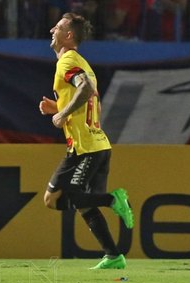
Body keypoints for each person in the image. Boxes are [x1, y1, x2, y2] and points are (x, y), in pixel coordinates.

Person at [38, 13, 134, 270]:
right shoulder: (83, 63)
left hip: (85, 147)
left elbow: (86, 90)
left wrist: (62, 113)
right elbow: (94, 102)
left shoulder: (67, 60)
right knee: (85, 205)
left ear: (68, 36)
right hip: (100, 145)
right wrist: (57, 105)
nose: (51, 30)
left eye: (57, 27)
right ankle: (114, 256)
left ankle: (113, 201)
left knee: (53, 199)